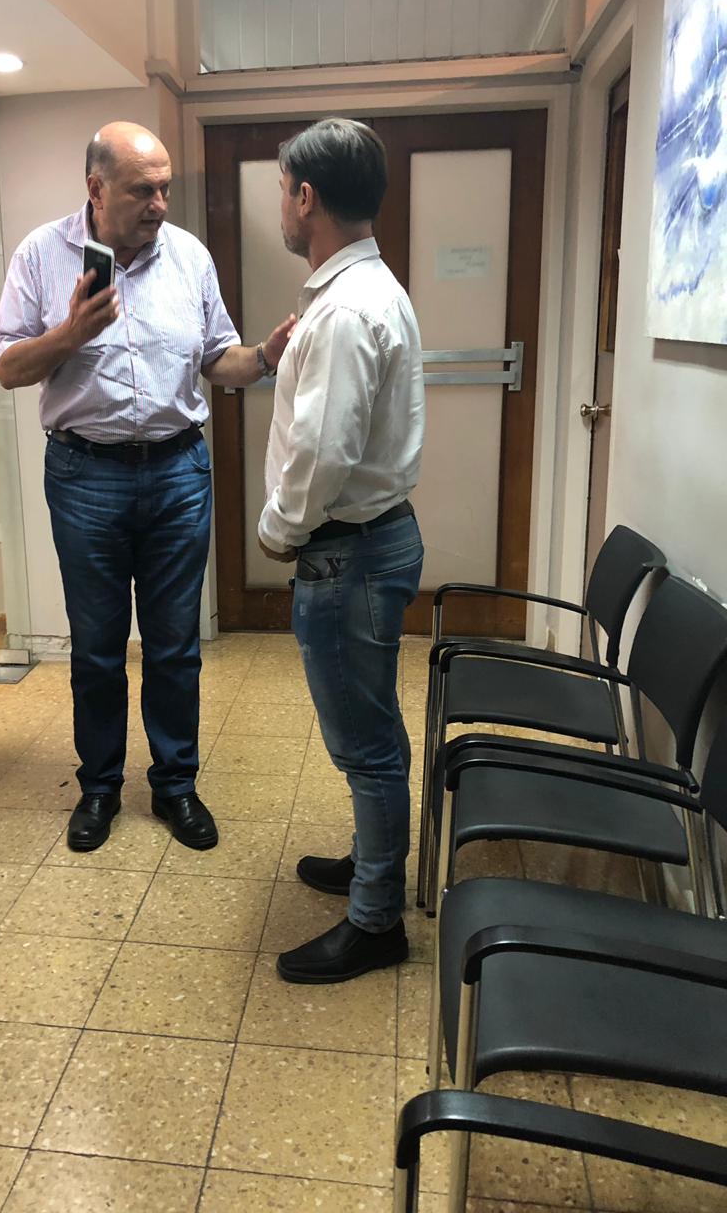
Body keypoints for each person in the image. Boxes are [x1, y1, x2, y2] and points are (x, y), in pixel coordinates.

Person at [0, 122, 295, 853]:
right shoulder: (40, 254)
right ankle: (99, 788)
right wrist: (70, 333)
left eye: (165, 188)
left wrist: (263, 356)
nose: (160, 203)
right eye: (142, 191)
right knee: (97, 647)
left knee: (173, 646)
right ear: (96, 189)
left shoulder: (188, 256)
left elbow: (216, 358)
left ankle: (175, 785)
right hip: (84, 476)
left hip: (177, 474)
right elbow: (7, 368)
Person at [258, 118, 425, 984]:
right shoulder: (364, 290)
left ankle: (375, 920)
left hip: (347, 553)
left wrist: (277, 530)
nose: (280, 208)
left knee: (366, 745)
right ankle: (372, 864)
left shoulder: (347, 309)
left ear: (306, 196)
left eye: (282, 192)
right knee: (372, 729)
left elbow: (321, 455)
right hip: (372, 543)